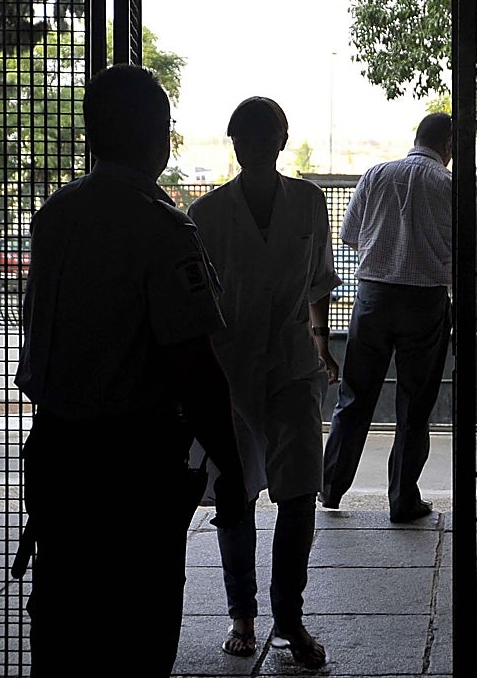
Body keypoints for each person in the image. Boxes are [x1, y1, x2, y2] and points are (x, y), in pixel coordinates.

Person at [12, 64, 246, 676]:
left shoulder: (56, 214)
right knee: (137, 633)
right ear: (158, 137)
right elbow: (194, 365)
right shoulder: (161, 226)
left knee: (64, 625)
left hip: (59, 454)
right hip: (132, 466)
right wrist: (231, 468)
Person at [187, 96, 338, 670]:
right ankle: (242, 615)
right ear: (234, 143)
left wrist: (321, 345)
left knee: (298, 492)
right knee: (235, 493)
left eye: (266, 135)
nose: (256, 145)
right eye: (247, 136)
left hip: (294, 364)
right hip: (230, 369)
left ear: (281, 140)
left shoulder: (309, 202)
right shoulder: (206, 215)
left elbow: (319, 280)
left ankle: (289, 618)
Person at [321, 112, 454, 524]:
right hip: (426, 304)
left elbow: (349, 235)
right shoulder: (449, 185)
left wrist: (386, 245)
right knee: (414, 406)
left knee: (354, 397)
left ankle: (330, 489)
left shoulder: (377, 174)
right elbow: (475, 249)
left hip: (373, 298)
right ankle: (402, 500)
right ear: (448, 146)